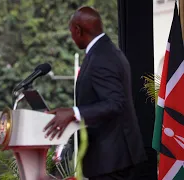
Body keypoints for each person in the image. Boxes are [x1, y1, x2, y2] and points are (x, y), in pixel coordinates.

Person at [44, 7, 146, 180]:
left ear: (78, 30)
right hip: (113, 157)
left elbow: (115, 103)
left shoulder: (102, 57)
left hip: (112, 160)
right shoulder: (104, 51)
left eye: (71, 32)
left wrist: (74, 113)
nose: (71, 36)